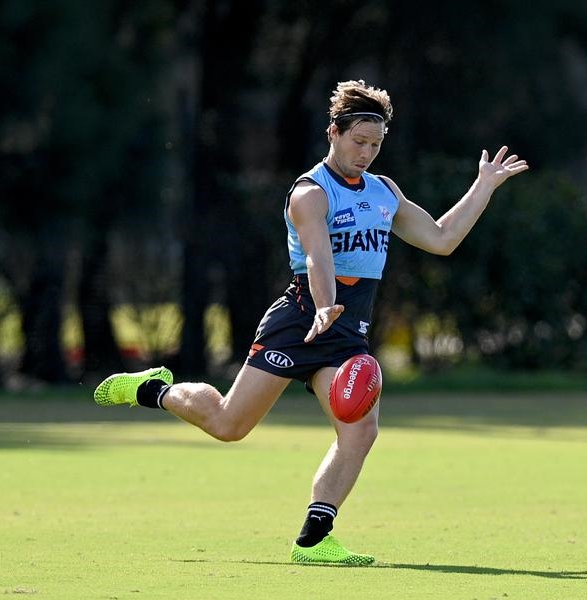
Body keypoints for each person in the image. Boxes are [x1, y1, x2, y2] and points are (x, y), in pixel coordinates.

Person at [94, 79, 529, 565]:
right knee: (228, 425)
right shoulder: (310, 193)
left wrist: (484, 185)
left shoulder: (384, 192)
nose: (366, 153)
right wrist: (324, 305)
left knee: (361, 431)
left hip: (346, 333)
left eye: (375, 145)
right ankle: (152, 389)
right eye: (358, 141)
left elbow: (442, 238)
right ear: (333, 133)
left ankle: (314, 540)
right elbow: (318, 257)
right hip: (299, 321)